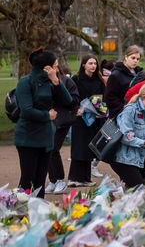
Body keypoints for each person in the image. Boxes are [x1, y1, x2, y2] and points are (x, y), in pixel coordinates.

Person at [15, 49, 72, 198]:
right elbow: (26, 110)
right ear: (46, 67)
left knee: (40, 179)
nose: (58, 69)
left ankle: (38, 209)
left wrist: (56, 81)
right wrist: (47, 115)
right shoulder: (25, 82)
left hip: (46, 136)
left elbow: (68, 101)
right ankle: (20, 210)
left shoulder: (51, 82)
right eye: (55, 65)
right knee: (27, 178)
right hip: (28, 137)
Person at [113, 83, 145, 188]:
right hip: (125, 159)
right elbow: (126, 135)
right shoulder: (130, 111)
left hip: (141, 158)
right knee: (140, 188)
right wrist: (143, 143)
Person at [68, 54, 105, 187]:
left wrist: (100, 110)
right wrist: (77, 108)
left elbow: (102, 99)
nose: (93, 66)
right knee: (78, 147)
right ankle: (73, 177)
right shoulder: (76, 79)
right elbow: (71, 96)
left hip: (93, 119)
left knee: (89, 148)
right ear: (84, 65)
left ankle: (85, 178)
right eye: (90, 63)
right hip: (79, 118)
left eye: (95, 64)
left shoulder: (99, 81)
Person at [45, 66, 80, 194]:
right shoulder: (43, 81)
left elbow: (74, 100)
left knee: (53, 149)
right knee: (47, 149)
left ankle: (60, 180)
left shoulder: (66, 81)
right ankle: (53, 180)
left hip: (62, 120)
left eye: (54, 66)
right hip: (46, 121)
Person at [104, 45, 144, 119]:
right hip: (121, 115)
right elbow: (109, 97)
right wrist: (123, 107)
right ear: (126, 57)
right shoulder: (116, 75)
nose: (135, 61)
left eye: (138, 59)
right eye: (133, 58)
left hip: (137, 114)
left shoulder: (139, 74)